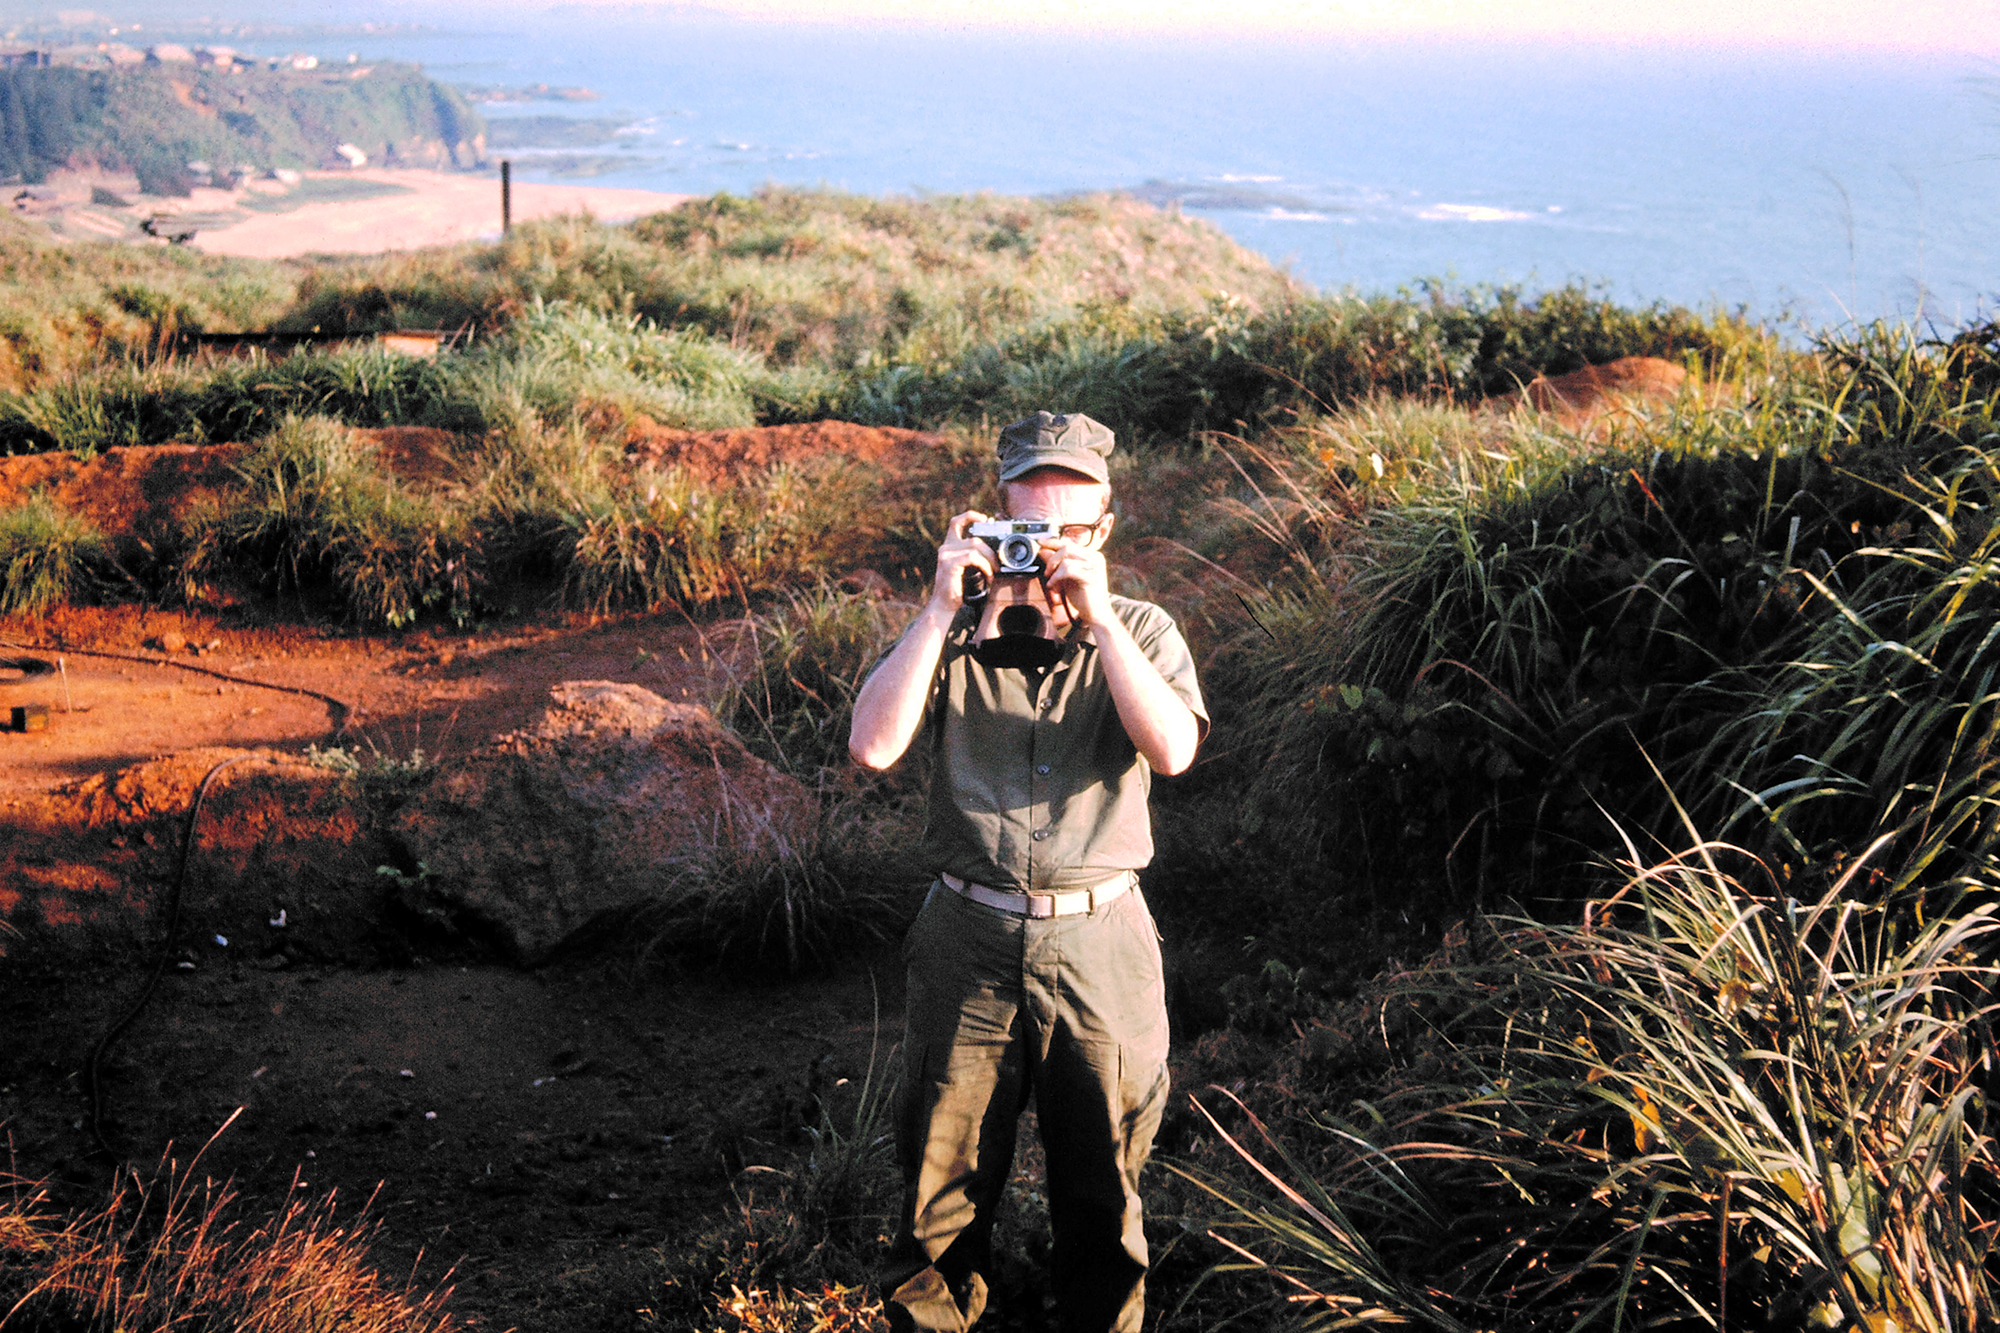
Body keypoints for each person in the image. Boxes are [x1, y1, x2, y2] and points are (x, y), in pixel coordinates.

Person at [849, 410, 1208, 1332]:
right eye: (1024, 529)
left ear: (1103, 532)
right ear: (988, 520)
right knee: (940, 1189)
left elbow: (1170, 751)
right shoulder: (950, 627)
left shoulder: (1143, 628)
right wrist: (938, 608)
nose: (1040, 552)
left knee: (1105, 1189)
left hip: (1102, 942)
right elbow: (874, 744)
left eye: (1066, 532)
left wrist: (1096, 621)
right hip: (965, 938)